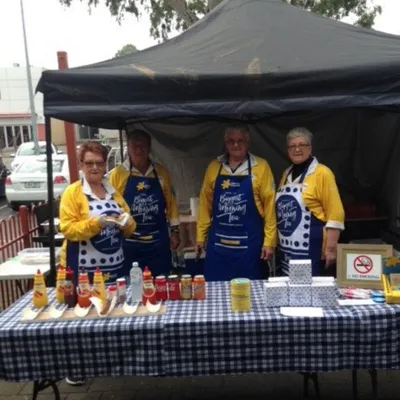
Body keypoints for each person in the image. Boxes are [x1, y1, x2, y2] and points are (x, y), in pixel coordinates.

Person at [59, 141, 136, 386]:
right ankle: (77, 367)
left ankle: (110, 362)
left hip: (115, 265)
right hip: (84, 268)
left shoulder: (112, 190)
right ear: (81, 165)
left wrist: (127, 223)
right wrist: (97, 224)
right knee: (81, 316)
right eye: (89, 163)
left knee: (112, 312)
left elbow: (129, 225)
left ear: (105, 165)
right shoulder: (73, 193)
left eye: (99, 163)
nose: (95, 167)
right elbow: (68, 229)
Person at [196, 123, 276, 281]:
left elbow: (270, 207)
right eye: (231, 141)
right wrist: (200, 236)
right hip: (218, 246)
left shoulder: (261, 166)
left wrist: (269, 242)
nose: (236, 145)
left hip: (249, 247)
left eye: (241, 140)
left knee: (251, 295)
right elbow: (205, 205)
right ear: (225, 144)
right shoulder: (214, 167)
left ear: (248, 143)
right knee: (216, 293)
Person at [109, 129, 180, 277]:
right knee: (132, 286)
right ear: (128, 147)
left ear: (149, 148)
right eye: (134, 146)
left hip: (157, 242)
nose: (138, 150)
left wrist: (175, 231)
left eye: (143, 146)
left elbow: (171, 204)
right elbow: (110, 207)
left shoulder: (160, 172)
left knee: (161, 283)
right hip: (130, 243)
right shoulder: (118, 174)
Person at [275, 127, 345, 276]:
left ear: (310, 148)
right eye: (292, 146)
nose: (297, 149)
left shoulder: (322, 173)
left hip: (311, 247)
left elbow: (336, 213)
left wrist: (331, 249)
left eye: (302, 145)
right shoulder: (286, 174)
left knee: (310, 290)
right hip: (287, 248)